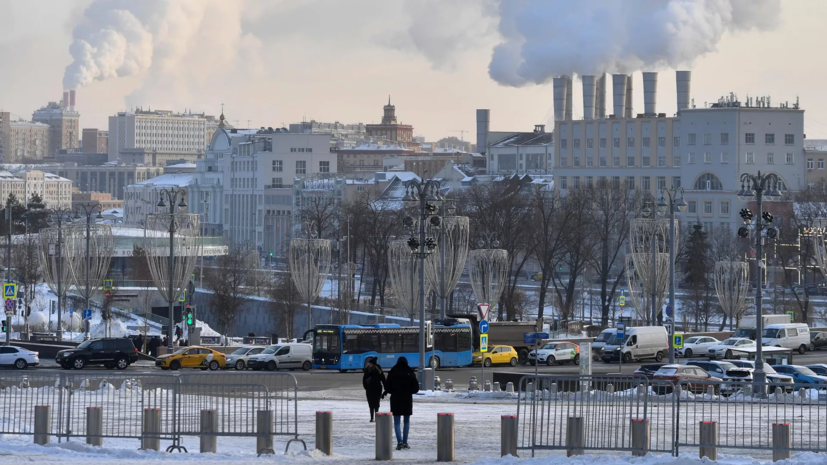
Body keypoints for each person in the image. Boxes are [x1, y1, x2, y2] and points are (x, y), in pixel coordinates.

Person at [383, 356, 419, 450]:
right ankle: (405, 442)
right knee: (406, 421)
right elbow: (416, 388)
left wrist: (393, 390)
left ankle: (399, 442)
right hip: (407, 399)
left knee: (397, 422)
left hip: (395, 399)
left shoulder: (393, 371)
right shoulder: (409, 372)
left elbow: (387, 387)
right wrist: (409, 390)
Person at [363, 357, 386, 422]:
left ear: (373, 364)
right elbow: (364, 380)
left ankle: (376, 417)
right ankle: (372, 417)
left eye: (370, 363)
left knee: (376, 403)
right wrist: (366, 387)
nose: (369, 364)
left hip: (377, 389)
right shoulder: (367, 370)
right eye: (369, 363)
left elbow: (383, 380)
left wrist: (386, 389)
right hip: (369, 390)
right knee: (370, 404)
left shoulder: (378, 370)